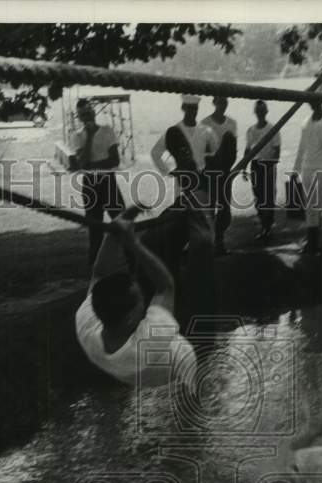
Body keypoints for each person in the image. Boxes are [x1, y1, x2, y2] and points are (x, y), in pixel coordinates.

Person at [75, 207, 198, 387]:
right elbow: (165, 286)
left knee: (153, 255)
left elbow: (100, 273)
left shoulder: (86, 324)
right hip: (175, 370)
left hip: (130, 371)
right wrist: (133, 242)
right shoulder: (148, 341)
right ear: (131, 317)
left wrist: (116, 229)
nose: (144, 301)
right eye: (141, 300)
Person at [149, 94, 218, 281]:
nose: (191, 112)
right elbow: (155, 153)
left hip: (204, 181)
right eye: (188, 108)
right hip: (184, 182)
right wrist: (170, 171)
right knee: (184, 220)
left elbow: (215, 155)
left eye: (194, 108)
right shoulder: (174, 131)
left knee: (207, 219)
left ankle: (207, 258)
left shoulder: (206, 131)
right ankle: (186, 260)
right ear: (183, 108)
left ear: (197, 110)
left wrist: (210, 172)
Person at [68, 98, 125, 265]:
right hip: (90, 185)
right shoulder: (77, 136)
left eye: (89, 113)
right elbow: (82, 163)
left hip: (108, 182)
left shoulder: (107, 131)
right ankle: (95, 267)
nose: (87, 117)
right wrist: (90, 138)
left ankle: (131, 260)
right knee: (95, 229)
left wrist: (91, 164)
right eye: (83, 115)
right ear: (79, 118)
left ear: (94, 113)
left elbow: (114, 161)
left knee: (122, 222)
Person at [291, 99, 322, 256]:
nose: (312, 103)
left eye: (315, 100)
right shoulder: (305, 121)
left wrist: (318, 121)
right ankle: (312, 245)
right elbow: (302, 146)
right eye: (310, 101)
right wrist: (295, 170)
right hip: (307, 168)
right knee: (310, 207)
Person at [200, 96, 238, 255]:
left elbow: (233, 150)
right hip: (210, 169)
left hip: (225, 169)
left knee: (225, 210)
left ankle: (219, 240)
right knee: (209, 208)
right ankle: (211, 242)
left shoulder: (232, 123)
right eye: (220, 102)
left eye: (225, 102)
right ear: (214, 103)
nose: (223, 105)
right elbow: (202, 150)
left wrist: (228, 168)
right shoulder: (205, 123)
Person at [243, 99, 281, 242]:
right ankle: (264, 225)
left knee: (269, 198)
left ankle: (268, 227)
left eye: (262, 111)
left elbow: (277, 151)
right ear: (255, 113)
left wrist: (271, 166)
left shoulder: (273, 129)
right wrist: (243, 167)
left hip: (269, 165)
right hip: (256, 165)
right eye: (258, 111)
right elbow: (247, 150)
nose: (260, 114)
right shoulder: (251, 130)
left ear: (266, 112)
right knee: (259, 197)